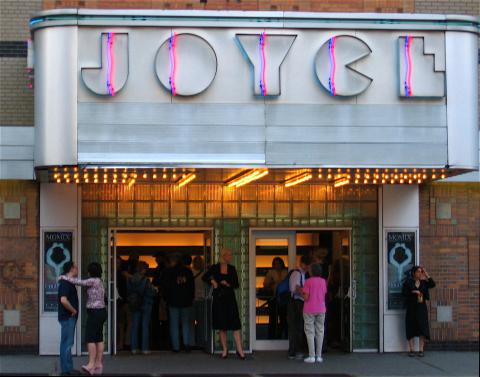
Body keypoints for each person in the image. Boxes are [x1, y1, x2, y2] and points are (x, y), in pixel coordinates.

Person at [60, 262, 107, 375]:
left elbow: (79, 282)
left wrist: (63, 277)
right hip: (102, 312)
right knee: (99, 338)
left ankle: (91, 364)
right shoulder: (100, 281)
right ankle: (98, 365)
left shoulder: (92, 280)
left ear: (90, 272)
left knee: (90, 338)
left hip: (94, 313)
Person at [203, 248, 245, 359]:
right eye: (229, 255)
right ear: (223, 256)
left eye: (231, 255)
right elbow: (205, 277)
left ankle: (240, 350)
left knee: (235, 324)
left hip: (230, 299)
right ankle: (225, 350)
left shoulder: (232, 269)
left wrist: (227, 284)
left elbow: (236, 284)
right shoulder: (215, 268)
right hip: (219, 299)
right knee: (222, 326)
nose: (230, 257)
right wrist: (213, 282)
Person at [162, 254, 195, 352]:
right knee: (186, 323)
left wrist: (166, 299)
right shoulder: (188, 271)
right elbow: (192, 287)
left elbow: (166, 287)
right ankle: (186, 344)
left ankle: (176, 347)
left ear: (172, 261)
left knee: (174, 324)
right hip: (186, 302)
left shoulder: (169, 271)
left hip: (173, 301)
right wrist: (191, 298)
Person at [402, 265, 436, 357]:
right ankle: (412, 350)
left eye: (421, 272)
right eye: (418, 271)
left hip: (421, 308)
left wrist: (426, 274)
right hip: (411, 307)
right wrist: (413, 292)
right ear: (413, 273)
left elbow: (433, 284)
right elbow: (404, 293)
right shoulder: (408, 282)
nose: (420, 273)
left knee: (422, 328)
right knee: (411, 327)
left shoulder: (424, 282)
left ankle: (421, 350)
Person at [127, 261, 157, 354]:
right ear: (143, 269)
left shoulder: (130, 278)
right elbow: (151, 292)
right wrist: (155, 290)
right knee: (145, 326)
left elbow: (128, 291)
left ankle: (134, 348)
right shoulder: (145, 280)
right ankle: (145, 348)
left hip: (135, 303)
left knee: (135, 325)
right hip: (146, 304)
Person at [57, 261, 80, 376]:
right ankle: (66, 370)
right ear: (71, 269)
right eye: (76, 267)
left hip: (67, 318)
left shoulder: (67, 282)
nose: (77, 269)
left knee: (66, 343)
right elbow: (63, 300)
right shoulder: (66, 283)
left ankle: (68, 368)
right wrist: (73, 310)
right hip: (68, 318)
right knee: (67, 343)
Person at [301, 263, 327, 363]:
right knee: (320, 331)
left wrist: (301, 293)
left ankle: (311, 356)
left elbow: (306, 297)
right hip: (321, 308)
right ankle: (319, 356)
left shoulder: (308, 281)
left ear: (311, 271)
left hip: (309, 309)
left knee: (310, 332)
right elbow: (323, 293)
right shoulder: (323, 281)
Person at [287, 254, 311, 359]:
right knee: (296, 327)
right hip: (296, 303)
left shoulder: (302, 274)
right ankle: (294, 351)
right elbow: (296, 288)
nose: (308, 268)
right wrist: (306, 295)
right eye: (307, 265)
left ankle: (295, 351)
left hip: (298, 303)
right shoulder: (297, 273)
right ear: (302, 264)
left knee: (298, 327)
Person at [263, 257, 288, 339]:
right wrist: (273, 283)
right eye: (275, 264)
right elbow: (265, 284)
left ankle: (282, 336)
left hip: (284, 298)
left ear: (282, 264)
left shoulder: (286, 272)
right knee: (273, 318)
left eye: (279, 263)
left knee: (284, 318)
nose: (277, 265)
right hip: (273, 298)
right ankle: (271, 337)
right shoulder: (271, 272)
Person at [192, 256, 207, 347]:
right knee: (201, 323)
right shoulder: (205, 273)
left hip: (192, 299)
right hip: (202, 299)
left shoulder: (190, 273)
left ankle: (192, 342)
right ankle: (201, 342)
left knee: (191, 323)